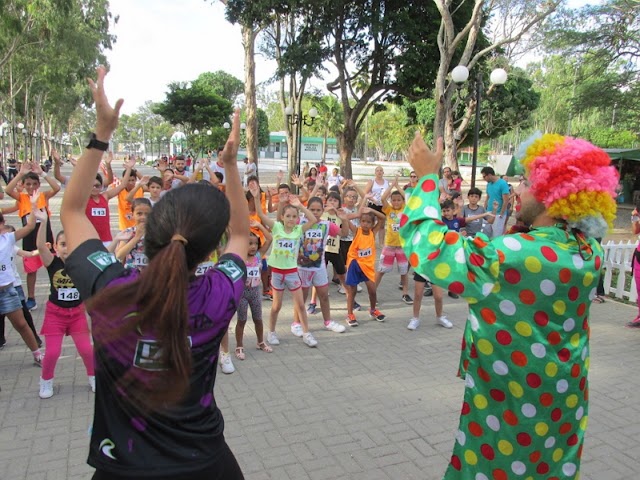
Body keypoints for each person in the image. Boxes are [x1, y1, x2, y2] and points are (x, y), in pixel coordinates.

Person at [60, 67, 248, 479]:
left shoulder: (109, 289)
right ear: (209, 250)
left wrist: (101, 133)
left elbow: (71, 210)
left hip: (120, 466)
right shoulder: (220, 293)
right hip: (206, 464)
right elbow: (241, 232)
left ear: (152, 230)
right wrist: (230, 167)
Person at [400, 131, 617, 479]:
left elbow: (428, 250)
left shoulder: (508, 257)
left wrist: (427, 178)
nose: (517, 189)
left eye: (527, 181)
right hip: (563, 398)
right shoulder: (588, 252)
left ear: (553, 193)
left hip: (513, 403)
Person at [34, 210, 95, 399]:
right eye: (62, 244)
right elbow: (39, 245)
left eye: (70, 243)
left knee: (86, 350)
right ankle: (46, 381)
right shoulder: (52, 263)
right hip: (55, 315)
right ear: (55, 247)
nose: (67, 248)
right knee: (52, 353)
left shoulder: (81, 262)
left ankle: (94, 378)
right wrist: (43, 221)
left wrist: (116, 240)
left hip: (77, 314)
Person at [253, 191, 320, 348]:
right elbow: (261, 215)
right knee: (276, 306)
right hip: (277, 272)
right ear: (282, 217)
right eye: (288, 216)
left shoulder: (298, 230)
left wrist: (300, 206)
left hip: (292, 273)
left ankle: (306, 333)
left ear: (297, 219)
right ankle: (271, 332)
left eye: (294, 216)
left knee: (301, 305)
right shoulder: (276, 228)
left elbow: (313, 219)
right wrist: (257, 198)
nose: (291, 219)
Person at [5, 161, 61, 310]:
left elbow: (57, 187)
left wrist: (42, 173)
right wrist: (20, 174)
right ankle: (31, 298)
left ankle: (55, 295)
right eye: (28, 184)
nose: (31, 187)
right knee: (31, 271)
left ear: (38, 185)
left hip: (46, 238)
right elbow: (8, 190)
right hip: (29, 241)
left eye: (34, 184)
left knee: (53, 268)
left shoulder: (44, 196)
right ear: (24, 185)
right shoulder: (22, 198)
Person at [0, 197, 44, 364]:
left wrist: (33, 206)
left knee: (21, 324)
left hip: (7, 292)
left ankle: (37, 354)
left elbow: (30, 226)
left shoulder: (8, 239)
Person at [344, 202, 386, 326]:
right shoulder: (357, 231)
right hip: (355, 264)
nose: (365, 224)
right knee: (353, 290)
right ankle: (350, 314)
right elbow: (345, 218)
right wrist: (358, 214)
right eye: (363, 221)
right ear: (360, 221)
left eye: (368, 222)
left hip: (367, 266)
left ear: (372, 224)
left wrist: (371, 210)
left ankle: (373, 310)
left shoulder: (373, 232)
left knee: (372, 290)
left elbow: (383, 218)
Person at [234, 226, 273, 361]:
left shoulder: (258, 256)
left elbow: (270, 238)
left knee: (258, 318)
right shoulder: (239, 257)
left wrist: (260, 226)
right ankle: (239, 346)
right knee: (242, 320)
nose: (253, 247)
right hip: (242, 293)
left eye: (255, 243)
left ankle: (260, 342)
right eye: (249, 243)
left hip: (255, 292)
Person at [374, 177, 413, 304]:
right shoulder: (389, 209)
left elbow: (408, 199)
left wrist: (398, 187)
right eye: (394, 200)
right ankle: (373, 292)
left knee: (404, 271)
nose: (396, 202)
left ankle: (405, 293)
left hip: (402, 246)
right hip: (389, 245)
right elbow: (382, 198)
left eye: (398, 200)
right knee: (381, 270)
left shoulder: (405, 209)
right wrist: (391, 187)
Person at [480, 166, 510, 237]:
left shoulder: (502, 183)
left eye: (484, 177)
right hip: (489, 212)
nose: (484, 179)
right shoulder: (489, 184)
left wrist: (501, 214)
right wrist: (485, 209)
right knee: (487, 232)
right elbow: (488, 197)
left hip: (498, 213)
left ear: (489, 175)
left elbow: (506, 200)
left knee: (496, 234)